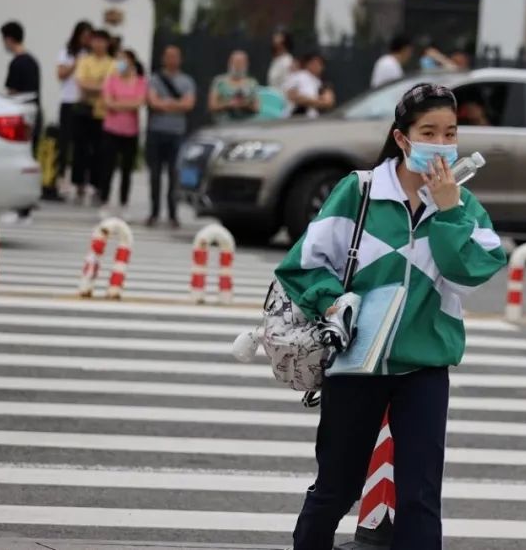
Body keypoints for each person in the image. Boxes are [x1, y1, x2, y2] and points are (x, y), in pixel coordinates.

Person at [275, 82, 507, 550]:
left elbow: (468, 274)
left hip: (424, 368)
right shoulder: (358, 192)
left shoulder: (463, 207)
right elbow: (301, 267)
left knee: (421, 498)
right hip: (356, 363)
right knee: (336, 489)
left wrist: (448, 211)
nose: (442, 145)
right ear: (402, 138)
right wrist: (332, 302)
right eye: (429, 132)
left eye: (450, 133)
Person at [146, 45, 196, 229]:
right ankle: (154, 212)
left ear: (180, 59)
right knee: (155, 174)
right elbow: (153, 102)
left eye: (175, 56)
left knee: (174, 175)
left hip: (177, 133)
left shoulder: (187, 81)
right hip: (156, 131)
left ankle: (173, 214)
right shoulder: (155, 79)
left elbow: (189, 104)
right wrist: (176, 104)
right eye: (168, 56)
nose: (171, 59)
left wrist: (166, 103)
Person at [98, 49, 147, 215]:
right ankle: (104, 200)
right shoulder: (111, 80)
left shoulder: (140, 82)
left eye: (123, 59)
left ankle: (124, 202)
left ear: (132, 62)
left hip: (130, 131)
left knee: (127, 169)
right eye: (118, 59)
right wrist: (126, 104)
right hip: (111, 129)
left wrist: (119, 103)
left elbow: (138, 103)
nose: (120, 63)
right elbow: (108, 102)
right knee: (107, 167)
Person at [72, 29, 116, 204]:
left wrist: (94, 86)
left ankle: (97, 185)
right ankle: (78, 184)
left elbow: (110, 85)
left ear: (107, 44)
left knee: (100, 150)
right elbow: (81, 83)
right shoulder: (84, 61)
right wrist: (99, 86)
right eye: (96, 41)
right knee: (80, 148)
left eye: (102, 41)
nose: (98, 44)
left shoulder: (112, 63)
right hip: (83, 109)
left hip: (102, 111)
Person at [55, 20, 93, 197]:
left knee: (83, 144)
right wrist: (76, 62)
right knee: (65, 142)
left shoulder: (92, 55)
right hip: (68, 100)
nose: (86, 39)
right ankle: (61, 176)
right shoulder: (67, 52)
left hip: (85, 102)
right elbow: (61, 74)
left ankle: (80, 181)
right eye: (84, 35)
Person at [0, 21, 42, 157]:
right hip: (35, 114)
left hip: (22, 118)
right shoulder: (33, 61)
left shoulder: (16, 63)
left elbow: (12, 92)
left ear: (9, 39)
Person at [209, 50, 260, 124]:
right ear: (230, 63)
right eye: (236, 62)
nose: (238, 65)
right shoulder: (219, 82)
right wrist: (228, 105)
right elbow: (212, 106)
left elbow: (257, 108)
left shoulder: (252, 83)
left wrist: (245, 104)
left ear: (247, 64)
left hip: (248, 123)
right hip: (224, 122)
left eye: (241, 62)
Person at [283, 52, 335, 118]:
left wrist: (307, 101)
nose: (317, 66)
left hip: (312, 119)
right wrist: (319, 102)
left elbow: (329, 103)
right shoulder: (299, 76)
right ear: (307, 64)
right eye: (313, 63)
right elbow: (293, 96)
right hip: (293, 118)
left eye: (320, 64)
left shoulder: (319, 82)